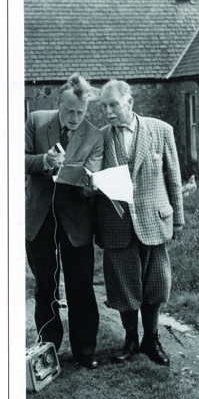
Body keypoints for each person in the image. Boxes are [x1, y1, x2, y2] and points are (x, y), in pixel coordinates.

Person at [95, 79, 184, 366]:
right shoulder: (99, 138)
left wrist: (178, 219)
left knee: (155, 283)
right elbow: (91, 181)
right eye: (104, 107)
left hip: (153, 222)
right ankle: (130, 340)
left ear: (129, 103)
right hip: (116, 225)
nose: (108, 112)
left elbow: (173, 177)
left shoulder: (160, 130)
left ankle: (152, 339)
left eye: (114, 105)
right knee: (123, 286)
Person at [25, 73, 103, 369]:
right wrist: (42, 161)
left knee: (81, 285)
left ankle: (85, 349)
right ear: (59, 103)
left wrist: (89, 190)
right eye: (69, 111)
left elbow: (92, 178)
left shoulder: (95, 135)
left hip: (76, 221)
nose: (74, 118)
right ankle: (48, 350)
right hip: (40, 218)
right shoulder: (36, 120)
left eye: (81, 113)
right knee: (45, 287)